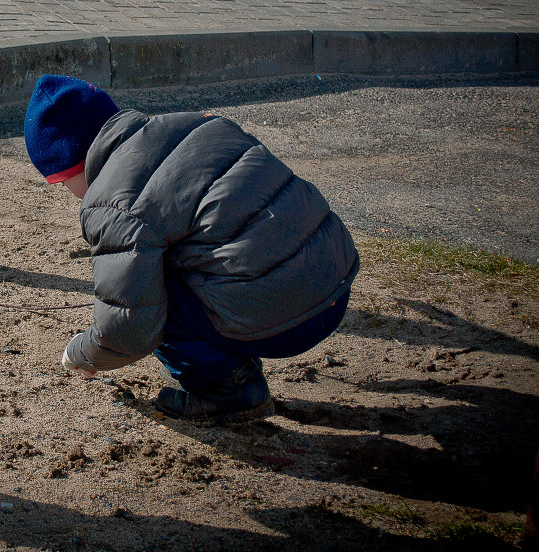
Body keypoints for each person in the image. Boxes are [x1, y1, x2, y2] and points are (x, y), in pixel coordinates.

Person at [24, 74, 359, 424]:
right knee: (196, 251)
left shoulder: (110, 200)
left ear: (70, 166)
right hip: (335, 280)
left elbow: (129, 328)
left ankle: (228, 388)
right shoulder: (200, 124)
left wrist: (82, 353)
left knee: (151, 288)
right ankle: (226, 359)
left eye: (61, 183)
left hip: (285, 321)